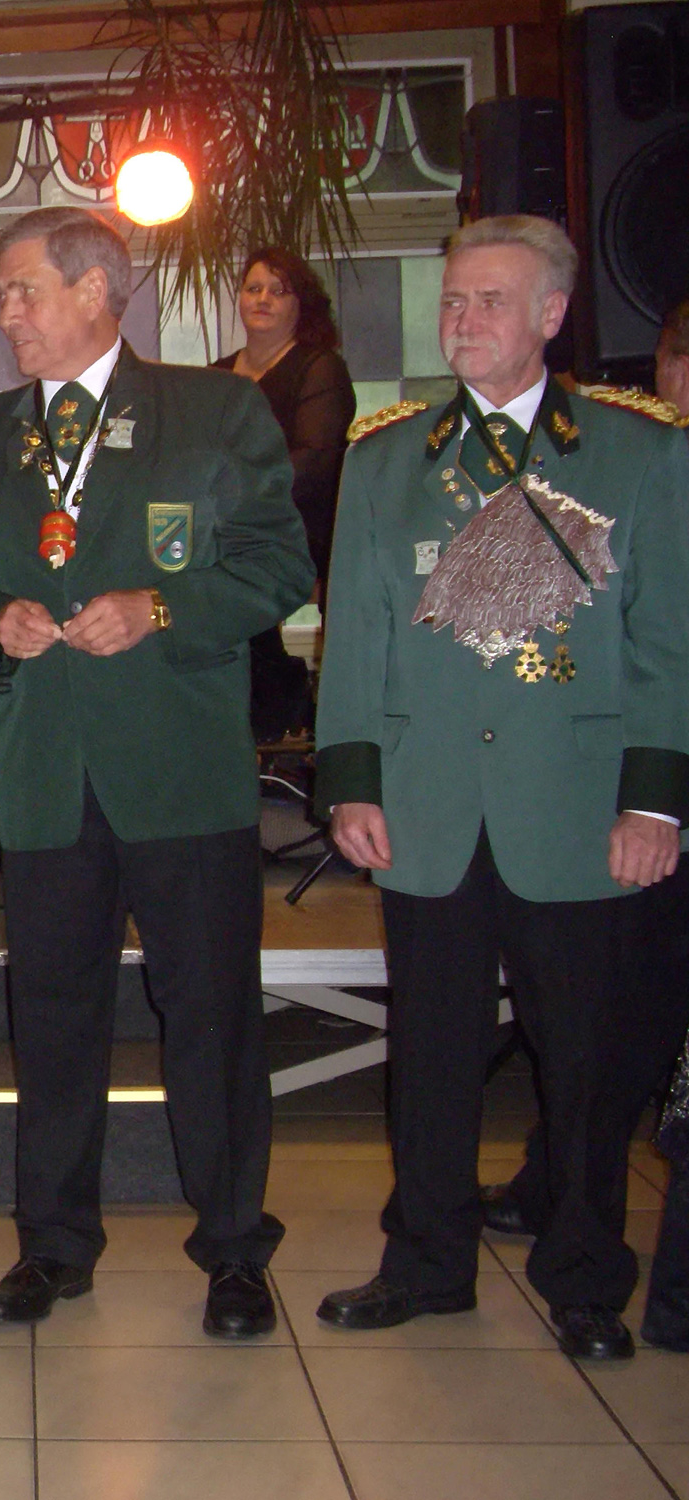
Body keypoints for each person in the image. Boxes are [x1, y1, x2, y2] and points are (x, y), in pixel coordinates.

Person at [0, 206, 312, 1340]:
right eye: (0, 294)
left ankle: (234, 1250)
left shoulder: (212, 411)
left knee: (211, 1017)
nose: (5, 313)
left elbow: (277, 566)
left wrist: (161, 606)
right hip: (46, 772)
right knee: (50, 1020)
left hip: (178, 769)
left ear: (98, 290)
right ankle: (52, 1247)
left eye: (23, 290)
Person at [312, 217, 689, 1361]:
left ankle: (582, 1277)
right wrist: (349, 784)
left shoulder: (632, 450)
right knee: (428, 1055)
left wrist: (653, 802)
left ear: (549, 315)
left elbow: (666, 642)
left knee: (581, 1063)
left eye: (487, 300)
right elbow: (355, 636)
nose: (461, 319)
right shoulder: (386, 456)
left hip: (571, 805)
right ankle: (422, 1263)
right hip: (425, 804)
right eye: (452, 300)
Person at [476, 295, 689, 1357]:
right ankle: (560, 1196)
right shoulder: (621, 459)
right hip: (625, 796)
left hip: (654, 788)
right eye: (678, 361)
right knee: (617, 1034)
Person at [213, 248, 356, 740]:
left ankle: (277, 703)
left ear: (301, 304)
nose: (263, 299)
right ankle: (245, 708)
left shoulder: (320, 367)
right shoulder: (215, 375)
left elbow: (314, 462)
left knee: (231, 564)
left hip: (304, 523)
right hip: (229, 522)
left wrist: (230, 495)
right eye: (254, 288)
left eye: (278, 291)